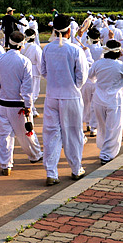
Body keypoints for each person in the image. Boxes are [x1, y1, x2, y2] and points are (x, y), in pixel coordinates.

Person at [40, 16, 90, 185]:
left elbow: (43, 71)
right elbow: (82, 76)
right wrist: (70, 85)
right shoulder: (76, 50)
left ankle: (51, 172)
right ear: (70, 30)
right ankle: (76, 169)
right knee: (73, 133)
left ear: (54, 30)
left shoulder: (47, 48)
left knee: (51, 134)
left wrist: (56, 82)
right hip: (70, 96)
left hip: (52, 95)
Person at [0, 31, 43, 177]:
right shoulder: (24, 61)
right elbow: (27, 88)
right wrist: (28, 106)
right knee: (26, 134)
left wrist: (2, 91)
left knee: (4, 136)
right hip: (18, 105)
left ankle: (5, 164)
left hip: (3, 103)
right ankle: (34, 156)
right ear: (22, 45)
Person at [87, 41, 123, 164]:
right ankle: (106, 154)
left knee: (103, 126)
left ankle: (104, 149)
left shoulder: (98, 63)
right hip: (114, 101)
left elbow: (90, 76)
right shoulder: (120, 65)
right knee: (114, 128)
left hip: (99, 99)